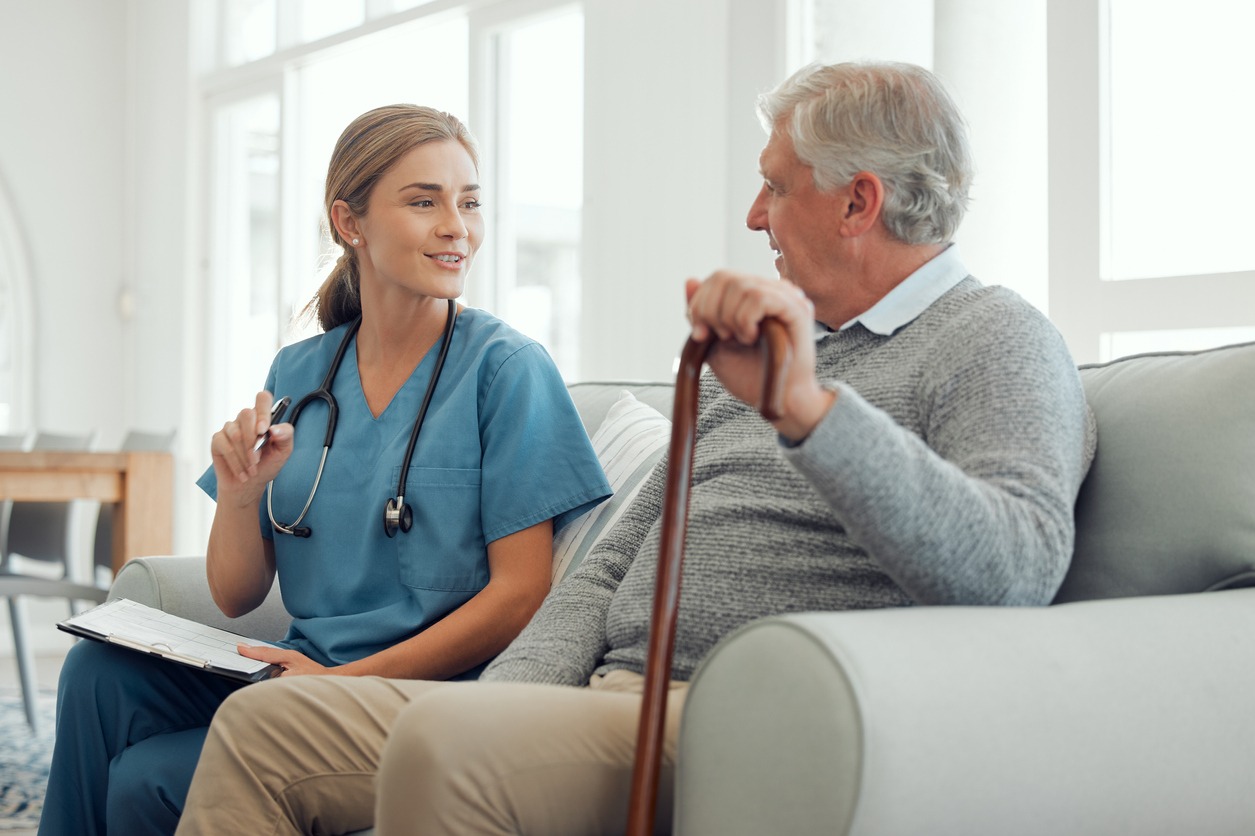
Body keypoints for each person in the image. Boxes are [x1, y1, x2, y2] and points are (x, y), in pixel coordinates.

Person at [176, 62, 1097, 835]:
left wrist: (810, 412)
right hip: (595, 699)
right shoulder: (774, 358)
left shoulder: (994, 340)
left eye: (776, 187)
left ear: (858, 201)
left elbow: (1013, 569)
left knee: (445, 745)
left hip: (732, 710)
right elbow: (612, 567)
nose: (754, 215)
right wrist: (504, 701)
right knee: (267, 729)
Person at [37, 104, 611, 836]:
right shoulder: (301, 372)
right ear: (349, 222)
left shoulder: (506, 369)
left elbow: (522, 595)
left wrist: (338, 682)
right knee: (98, 675)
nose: (456, 227)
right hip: (299, 672)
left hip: (424, 690)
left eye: (468, 203)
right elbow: (236, 594)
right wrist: (240, 496)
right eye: (424, 202)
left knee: (147, 782)